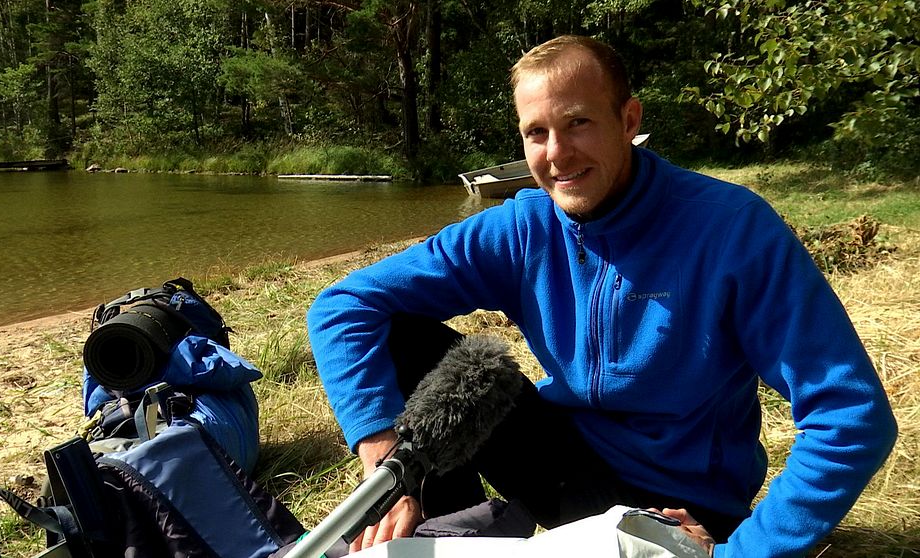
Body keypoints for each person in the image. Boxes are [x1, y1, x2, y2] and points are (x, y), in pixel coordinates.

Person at [306, 35, 897, 557]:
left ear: (628, 117)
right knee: (406, 336)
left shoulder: (730, 230)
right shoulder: (523, 228)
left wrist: (745, 551)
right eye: (536, 133)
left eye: (578, 123)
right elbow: (342, 307)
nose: (556, 153)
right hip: (567, 463)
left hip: (683, 507)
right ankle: (433, 534)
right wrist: (388, 470)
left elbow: (850, 415)